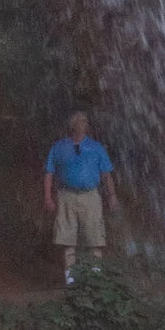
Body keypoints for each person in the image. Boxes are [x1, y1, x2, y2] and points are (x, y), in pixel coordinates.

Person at [43, 108, 118, 285]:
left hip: (90, 196)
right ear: (73, 125)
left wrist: (112, 195)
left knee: (94, 237)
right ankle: (71, 279)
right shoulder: (59, 147)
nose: (84, 124)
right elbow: (49, 172)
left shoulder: (96, 147)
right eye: (80, 121)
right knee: (67, 238)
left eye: (85, 121)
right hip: (66, 196)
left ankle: (96, 276)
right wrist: (48, 196)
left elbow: (106, 174)